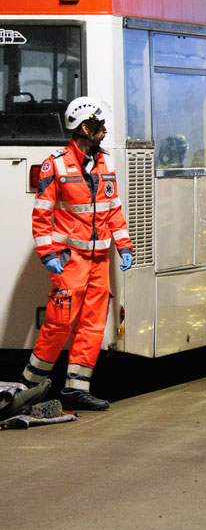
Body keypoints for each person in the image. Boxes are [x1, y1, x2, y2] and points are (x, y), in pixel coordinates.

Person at [20, 97, 135, 411]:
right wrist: (49, 256)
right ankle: (28, 387)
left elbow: (113, 209)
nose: (105, 130)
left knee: (93, 325)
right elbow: (42, 216)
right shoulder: (55, 164)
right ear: (86, 127)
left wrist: (124, 245)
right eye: (100, 125)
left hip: (99, 261)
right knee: (59, 323)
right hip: (70, 261)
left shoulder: (105, 161)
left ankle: (76, 388)